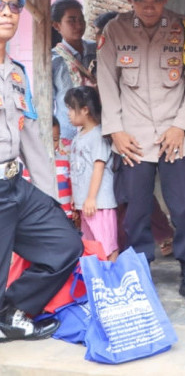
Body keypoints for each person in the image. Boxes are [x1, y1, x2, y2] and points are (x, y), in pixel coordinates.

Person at [97, 0, 185, 307]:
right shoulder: (114, 30)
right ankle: (140, 270)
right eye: (141, 1)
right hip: (133, 137)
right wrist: (115, 131)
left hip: (176, 135)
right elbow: (107, 82)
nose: (149, 8)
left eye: (155, 1)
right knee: (135, 209)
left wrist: (183, 125)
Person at [0, 0, 83, 341]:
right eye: (0, 5)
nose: (8, 13)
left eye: (14, 7)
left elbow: (32, 136)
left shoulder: (16, 73)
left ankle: (11, 312)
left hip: (16, 184)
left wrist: (53, 199)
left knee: (65, 245)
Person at [93, 10, 174, 258]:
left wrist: (117, 129)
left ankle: (151, 240)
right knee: (118, 196)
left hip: (125, 134)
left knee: (131, 196)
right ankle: (119, 248)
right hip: (105, 133)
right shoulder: (90, 55)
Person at [65, 86, 119, 262]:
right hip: (86, 204)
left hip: (99, 203)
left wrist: (91, 198)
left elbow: (99, 167)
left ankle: (111, 283)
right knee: (91, 246)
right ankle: (99, 283)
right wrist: (77, 196)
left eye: (72, 108)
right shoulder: (79, 135)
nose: (68, 113)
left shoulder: (98, 135)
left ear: (85, 110)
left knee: (107, 246)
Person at [51, 0, 96, 141]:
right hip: (67, 135)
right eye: (71, 20)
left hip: (97, 131)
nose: (78, 25)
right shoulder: (53, 60)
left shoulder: (96, 50)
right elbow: (47, 103)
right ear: (57, 25)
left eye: (81, 19)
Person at [53, 115, 74, 220]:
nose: (52, 144)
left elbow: (71, 184)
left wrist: (73, 209)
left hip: (66, 214)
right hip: (43, 217)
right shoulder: (31, 164)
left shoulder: (65, 160)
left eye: (55, 139)